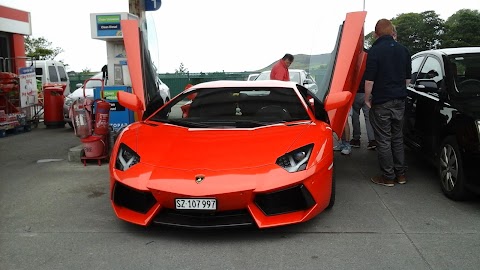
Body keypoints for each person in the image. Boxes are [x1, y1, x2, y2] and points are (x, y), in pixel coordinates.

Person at [364, 19, 411, 187]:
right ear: (392, 32)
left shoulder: (374, 51)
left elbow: (369, 81)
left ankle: (388, 177)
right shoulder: (404, 50)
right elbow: (407, 79)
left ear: (376, 34)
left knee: (383, 140)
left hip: (382, 101)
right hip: (400, 100)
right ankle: (401, 175)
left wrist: (367, 98)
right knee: (397, 138)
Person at [350, 69, 376, 150]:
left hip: (355, 94)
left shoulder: (355, 68)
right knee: (368, 118)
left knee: (355, 117)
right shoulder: (369, 65)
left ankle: (356, 139)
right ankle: (372, 140)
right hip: (367, 93)